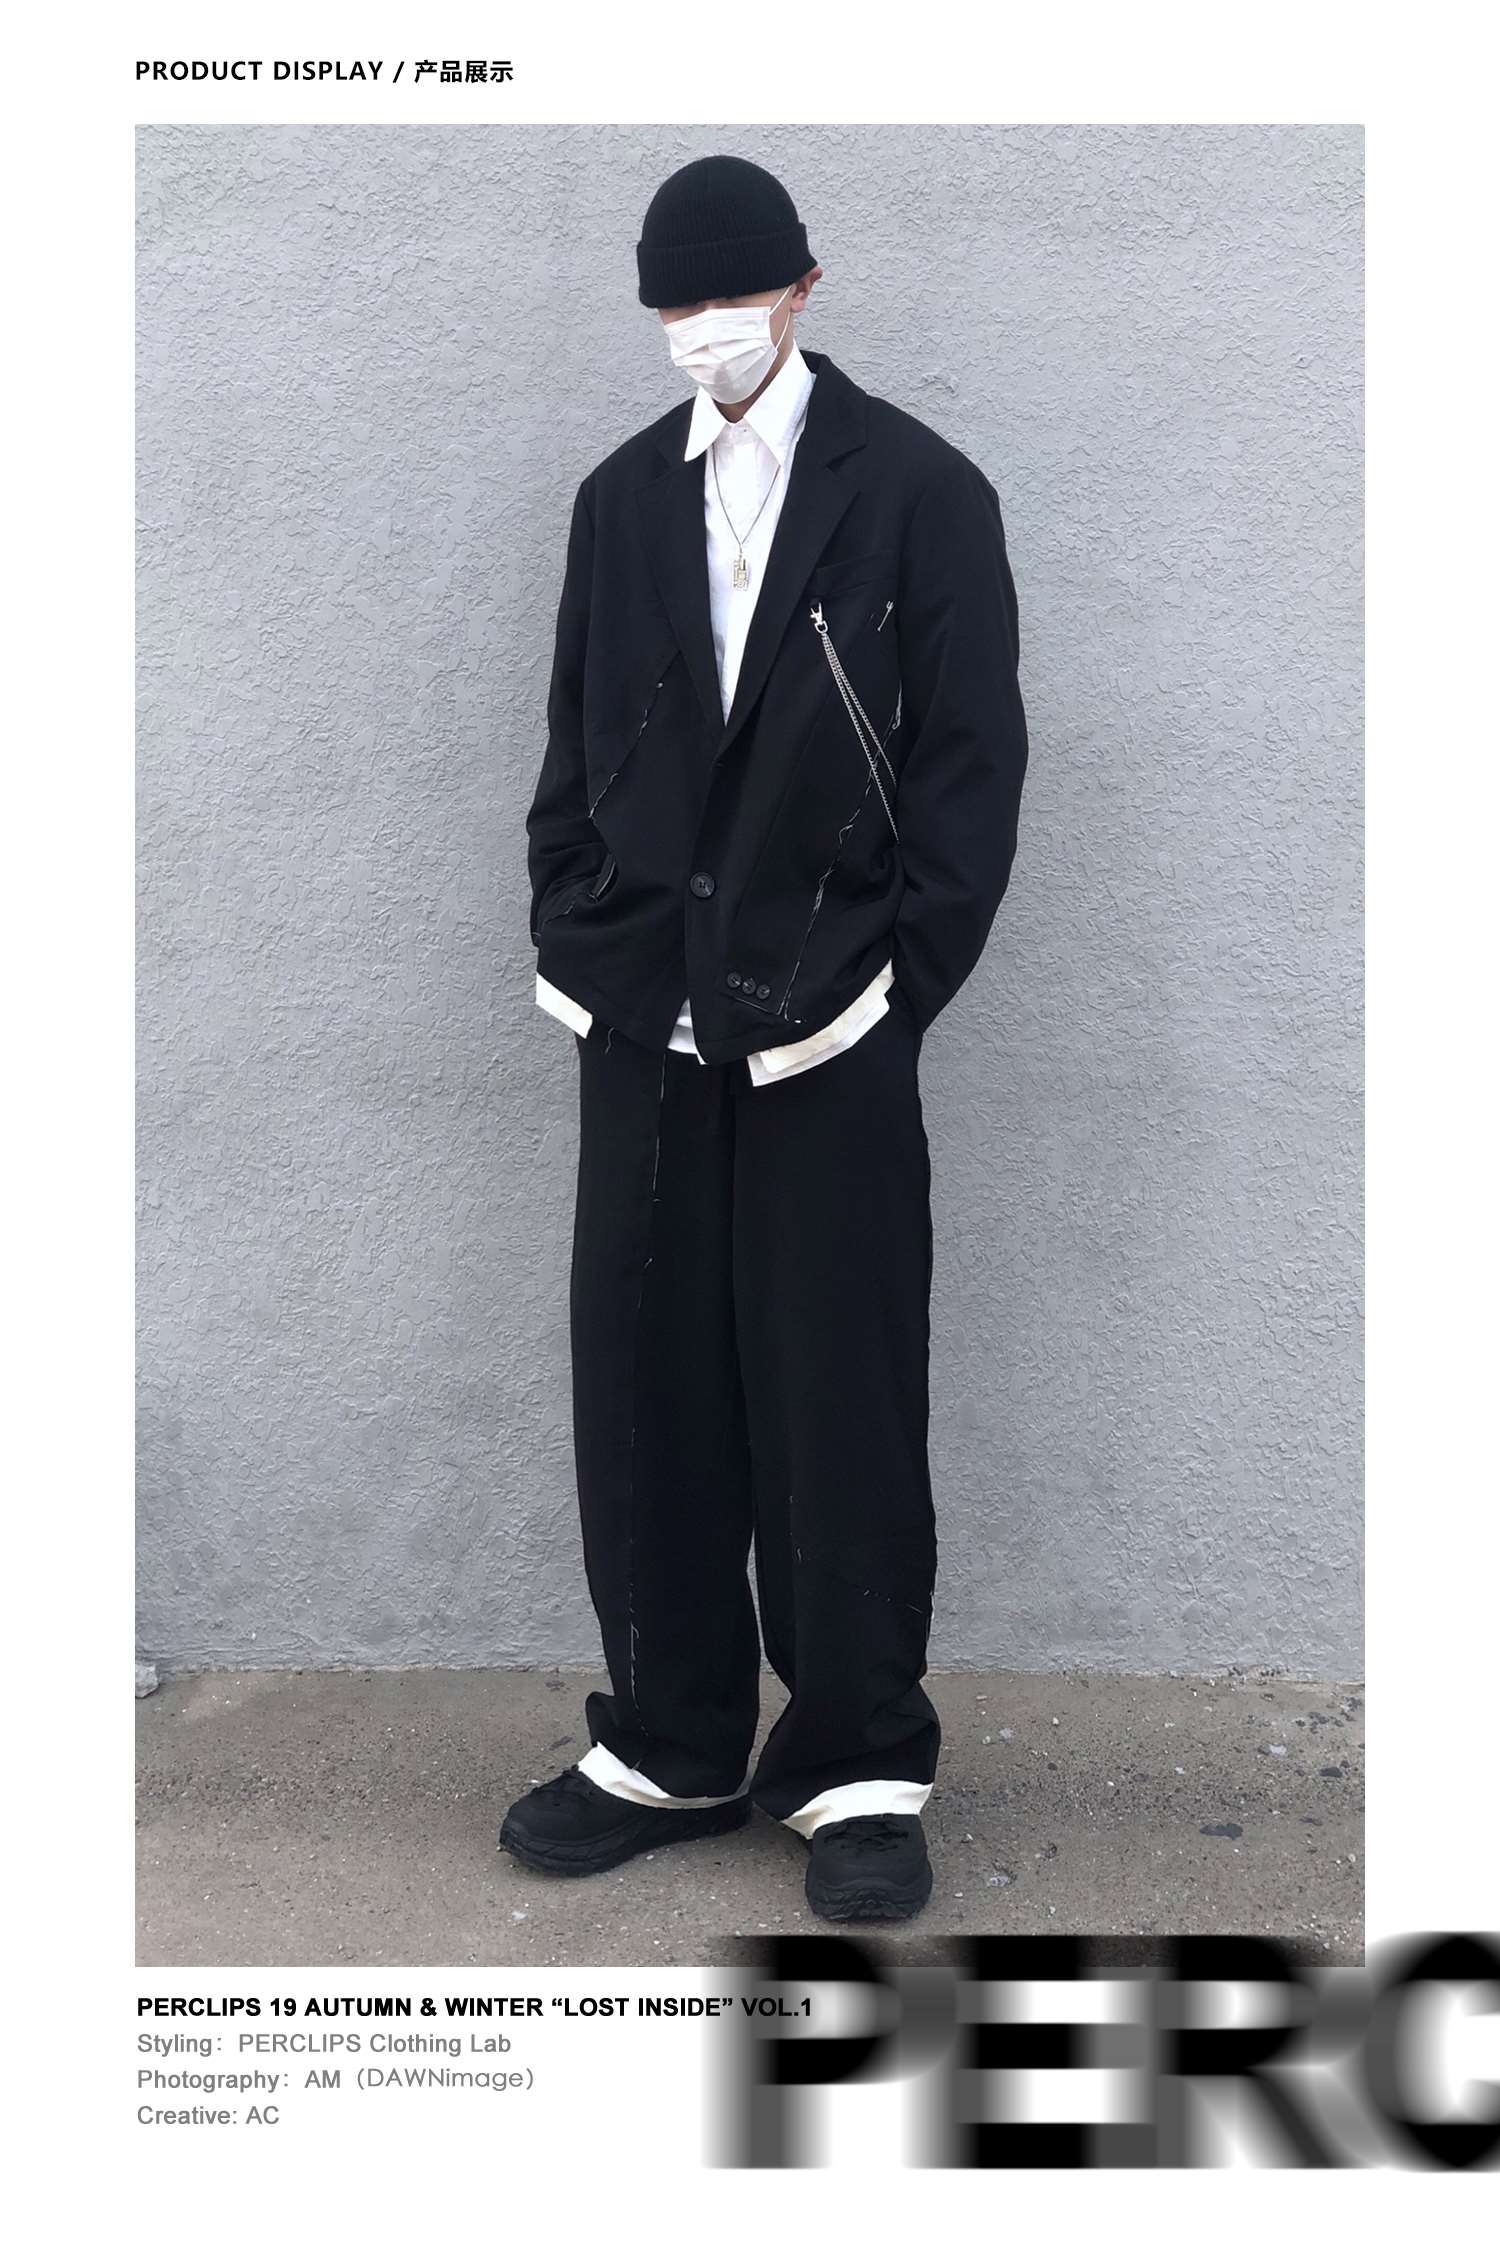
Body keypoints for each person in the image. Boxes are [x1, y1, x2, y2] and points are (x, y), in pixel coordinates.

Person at [501, 153, 1028, 1922]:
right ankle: (670, 1739)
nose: (702, 326)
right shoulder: (617, 504)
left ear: (804, 286)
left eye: (731, 292)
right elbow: (573, 745)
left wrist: (889, 994)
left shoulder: (921, 492)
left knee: (837, 1394)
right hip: (641, 1018)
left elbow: (971, 771)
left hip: (831, 1026)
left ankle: (858, 1758)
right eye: (675, 300)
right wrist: (580, 937)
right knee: (644, 1383)